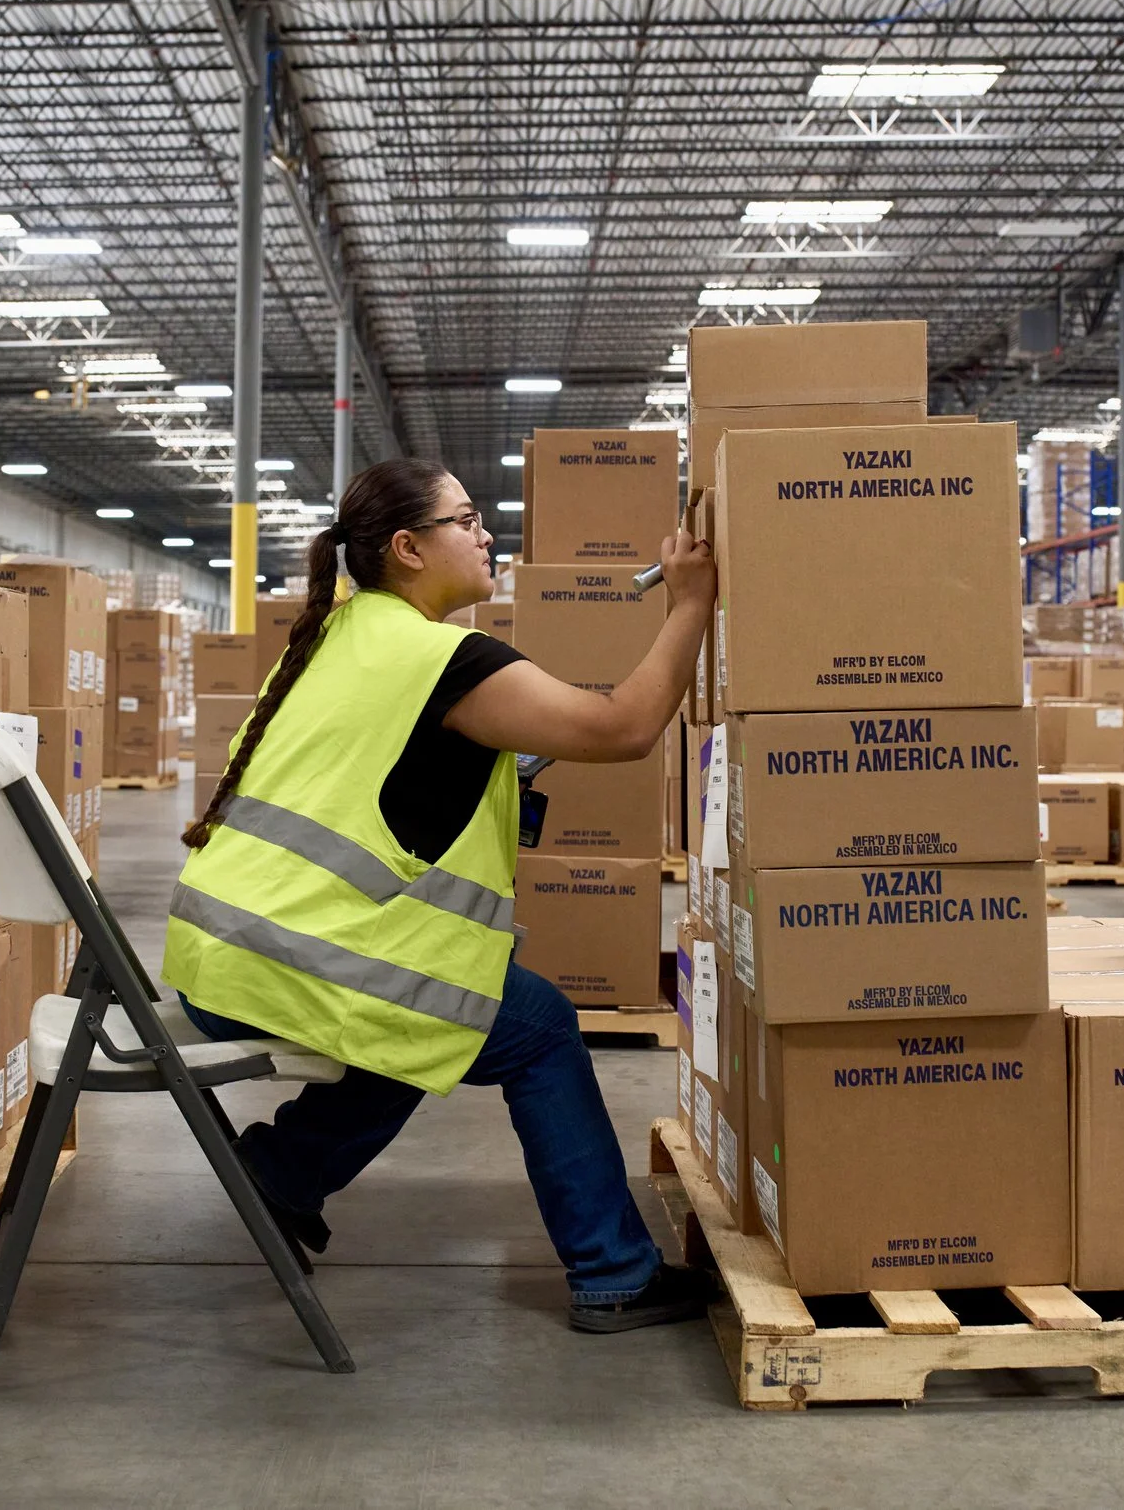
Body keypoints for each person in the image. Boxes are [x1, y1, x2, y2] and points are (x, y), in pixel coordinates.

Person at [163, 457, 719, 1333]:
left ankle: (282, 1172)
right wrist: (690, 602)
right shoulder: (446, 660)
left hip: (222, 950)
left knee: (438, 1011)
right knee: (533, 1027)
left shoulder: (334, 636)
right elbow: (626, 727)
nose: (487, 531)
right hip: (289, 958)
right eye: (467, 519)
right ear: (408, 547)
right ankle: (615, 1271)